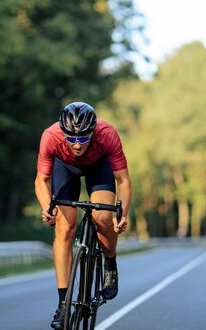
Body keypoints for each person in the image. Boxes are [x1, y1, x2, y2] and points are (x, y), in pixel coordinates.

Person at [35, 102, 131, 330]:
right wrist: (47, 207)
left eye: (83, 138)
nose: (77, 145)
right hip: (64, 167)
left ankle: (110, 263)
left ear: (93, 131)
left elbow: (124, 180)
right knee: (65, 226)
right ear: (63, 132)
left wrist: (122, 214)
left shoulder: (107, 134)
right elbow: (42, 180)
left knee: (103, 218)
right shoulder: (50, 136)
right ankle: (62, 304)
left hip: (99, 167)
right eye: (71, 139)